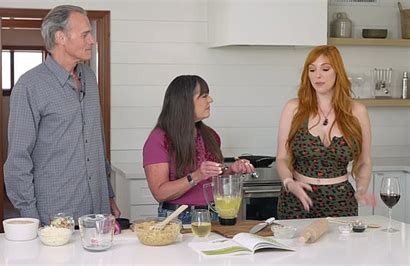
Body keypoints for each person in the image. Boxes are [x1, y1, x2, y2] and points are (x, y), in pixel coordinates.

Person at [4, 5, 120, 225]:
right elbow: (18, 160)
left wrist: (109, 194)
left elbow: (96, 142)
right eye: (85, 34)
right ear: (60, 37)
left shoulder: (89, 77)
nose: (92, 40)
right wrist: (30, 219)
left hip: (98, 210)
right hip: (56, 216)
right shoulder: (29, 86)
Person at [276, 45, 376, 219]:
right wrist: (289, 182)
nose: (317, 75)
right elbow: (282, 158)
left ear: (337, 72)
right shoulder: (293, 108)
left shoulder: (357, 111)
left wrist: (361, 189)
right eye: (312, 70)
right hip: (298, 200)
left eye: (325, 69)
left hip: (341, 202)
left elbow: (364, 161)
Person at [143, 75, 255, 224]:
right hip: (179, 218)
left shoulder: (211, 135)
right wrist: (197, 175)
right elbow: (159, 193)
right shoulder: (159, 139)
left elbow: (213, 181)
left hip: (215, 214)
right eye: (204, 96)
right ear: (185, 102)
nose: (210, 100)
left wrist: (231, 171)